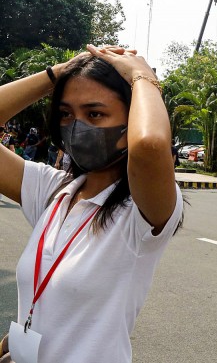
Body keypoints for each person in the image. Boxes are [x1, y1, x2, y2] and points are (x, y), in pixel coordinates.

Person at [0, 46, 183, 363]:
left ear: (131, 123)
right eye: (66, 114)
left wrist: (143, 77)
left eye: (95, 114)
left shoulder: (140, 212)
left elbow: (151, 144)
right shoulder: (53, 190)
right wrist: (58, 73)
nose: (76, 125)